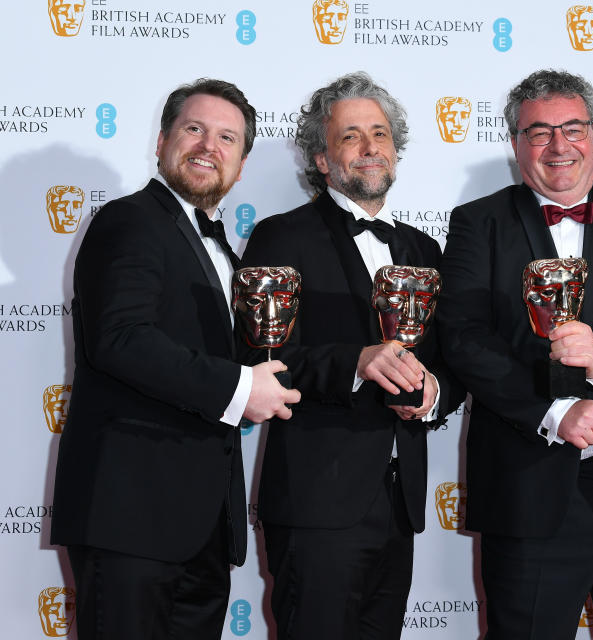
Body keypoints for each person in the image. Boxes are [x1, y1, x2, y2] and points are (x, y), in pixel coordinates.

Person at [438, 69, 593, 639]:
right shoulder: (477, 224)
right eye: (539, 132)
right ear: (515, 144)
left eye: (573, 128)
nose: (559, 146)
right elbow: (463, 338)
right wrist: (553, 412)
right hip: (529, 492)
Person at [50, 78, 300, 639]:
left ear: (240, 162)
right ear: (163, 140)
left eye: (227, 138)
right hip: (130, 519)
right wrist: (240, 390)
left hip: (204, 527)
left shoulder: (226, 251)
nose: (209, 146)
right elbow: (120, 338)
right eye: (195, 129)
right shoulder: (129, 221)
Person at [239, 71, 463, 640]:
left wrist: (434, 396)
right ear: (320, 158)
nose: (370, 149)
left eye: (381, 134)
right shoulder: (280, 237)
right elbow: (263, 356)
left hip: (400, 500)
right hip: (317, 497)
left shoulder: (423, 249)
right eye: (350, 136)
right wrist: (356, 362)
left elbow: (453, 357)